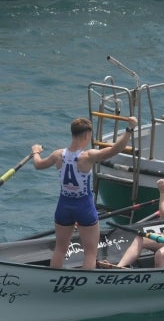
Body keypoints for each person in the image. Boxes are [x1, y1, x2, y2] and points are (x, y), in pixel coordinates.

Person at [32, 115, 138, 269]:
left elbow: (38, 165)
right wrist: (130, 129)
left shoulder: (58, 155)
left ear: (72, 134)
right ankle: (85, 285)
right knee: (90, 252)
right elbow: (117, 149)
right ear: (86, 135)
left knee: (60, 250)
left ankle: (53, 282)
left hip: (64, 206)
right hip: (84, 207)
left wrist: (35, 151)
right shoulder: (88, 156)